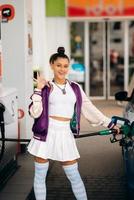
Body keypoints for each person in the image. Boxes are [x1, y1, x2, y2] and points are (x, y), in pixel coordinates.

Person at [27, 47, 120, 200]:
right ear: (52, 65)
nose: (62, 69)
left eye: (65, 66)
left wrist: (109, 123)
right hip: (45, 134)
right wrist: (38, 90)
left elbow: (89, 108)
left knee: (74, 176)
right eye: (58, 65)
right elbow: (34, 113)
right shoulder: (46, 88)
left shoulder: (75, 88)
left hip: (65, 134)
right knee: (39, 177)